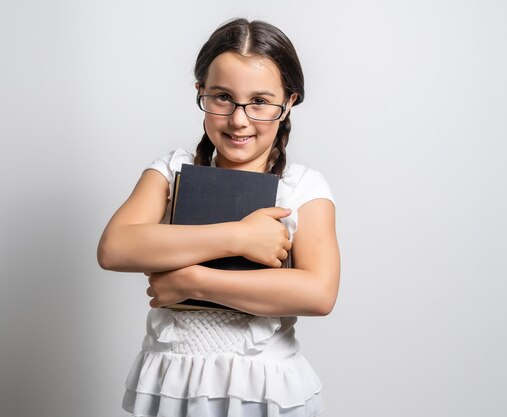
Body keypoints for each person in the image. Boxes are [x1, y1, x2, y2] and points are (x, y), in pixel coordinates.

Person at [97, 18, 340, 417]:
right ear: (201, 93)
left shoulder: (303, 187)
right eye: (222, 98)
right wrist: (239, 237)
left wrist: (194, 281)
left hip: (263, 388)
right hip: (172, 381)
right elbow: (115, 247)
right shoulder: (171, 170)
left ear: (289, 101)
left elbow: (318, 293)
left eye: (260, 101)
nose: (239, 119)